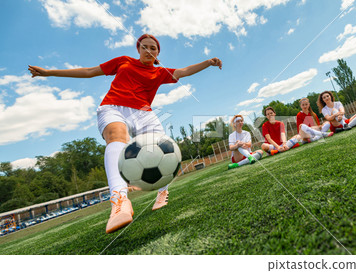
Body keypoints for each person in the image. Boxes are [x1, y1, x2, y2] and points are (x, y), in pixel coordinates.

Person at [28, 34, 222, 234]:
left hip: (145, 114)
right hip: (113, 108)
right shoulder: (123, 61)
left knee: (163, 151)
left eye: (153, 48)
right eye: (144, 47)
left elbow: (184, 71)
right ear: (138, 49)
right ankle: (119, 201)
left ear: (157, 54)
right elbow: (89, 71)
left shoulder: (160, 72)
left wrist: (208, 62)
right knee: (116, 136)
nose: (148, 50)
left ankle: (162, 192)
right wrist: (48, 72)